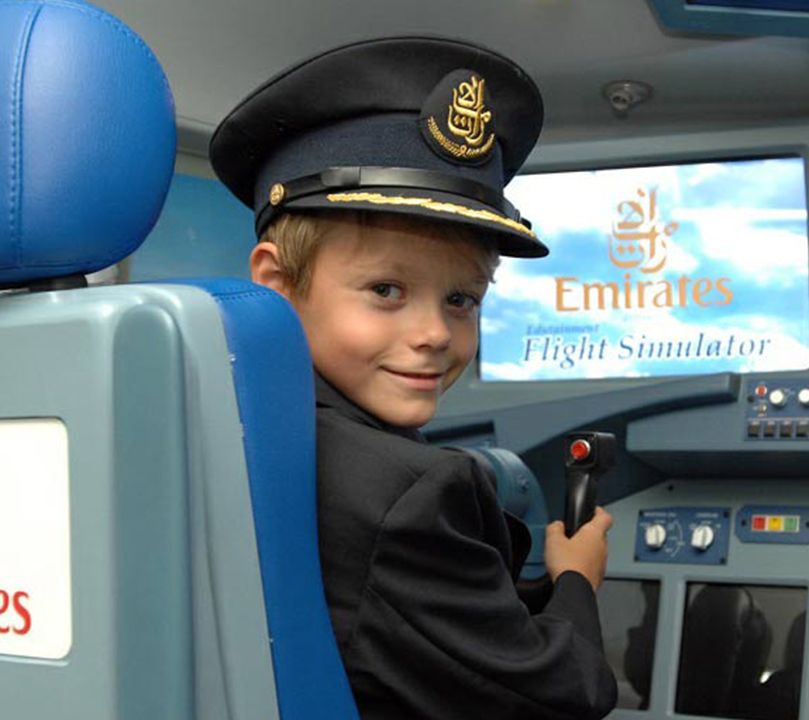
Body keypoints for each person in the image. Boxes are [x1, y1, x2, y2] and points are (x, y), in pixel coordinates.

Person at [209, 36, 618, 720]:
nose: (434, 333)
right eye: (387, 290)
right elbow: (560, 695)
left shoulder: (222, 415)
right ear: (277, 283)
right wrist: (577, 579)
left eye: (461, 299)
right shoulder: (410, 494)